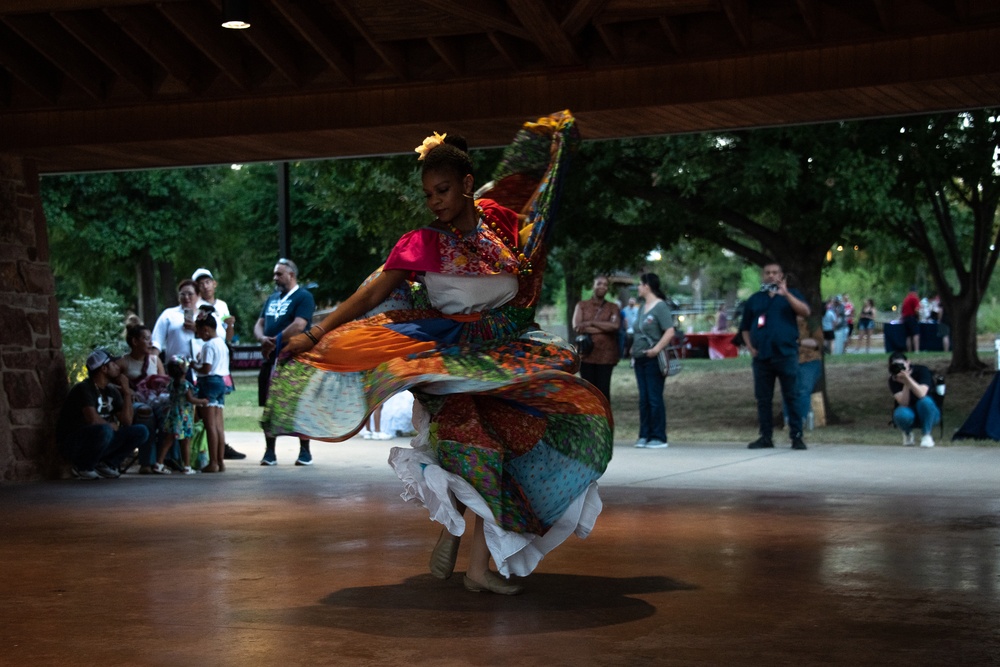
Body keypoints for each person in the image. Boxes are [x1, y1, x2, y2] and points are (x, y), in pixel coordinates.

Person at [262, 112, 612, 595]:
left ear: (467, 184)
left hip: (506, 358)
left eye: (442, 190)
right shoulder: (421, 243)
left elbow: (533, 236)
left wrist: (554, 155)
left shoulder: (503, 225)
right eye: (428, 194)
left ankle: (465, 551)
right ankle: (469, 556)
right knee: (474, 450)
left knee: (507, 449)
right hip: (445, 362)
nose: (434, 202)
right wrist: (318, 333)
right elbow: (368, 297)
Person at [739, 262, 810, 450]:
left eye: (775, 273)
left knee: (792, 396)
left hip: (785, 354)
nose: (771, 276)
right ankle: (765, 436)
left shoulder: (791, 295)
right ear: (763, 275)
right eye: (768, 273)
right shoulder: (755, 299)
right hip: (762, 356)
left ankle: (796, 436)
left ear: (782, 275)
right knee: (763, 398)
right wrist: (750, 347)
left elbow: (805, 312)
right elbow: (745, 327)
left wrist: (785, 293)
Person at [253, 258, 316, 466]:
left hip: (294, 358)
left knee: (299, 404)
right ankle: (270, 452)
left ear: (291, 275)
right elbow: (259, 323)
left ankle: (304, 452)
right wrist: (263, 339)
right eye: (274, 273)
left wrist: (276, 340)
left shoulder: (303, 297)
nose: (275, 277)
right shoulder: (271, 298)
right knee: (269, 405)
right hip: (270, 358)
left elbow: (299, 325)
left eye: (279, 273)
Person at [56, 348, 149, 479]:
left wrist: (127, 392)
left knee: (141, 431)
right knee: (105, 430)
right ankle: (83, 466)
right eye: (113, 364)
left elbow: (127, 421)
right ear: (104, 369)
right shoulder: (84, 388)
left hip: (102, 438)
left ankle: (106, 464)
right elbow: (92, 420)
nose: (118, 367)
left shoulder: (111, 391)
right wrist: (110, 426)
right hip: (75, 443)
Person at [630, 273, 675, 449]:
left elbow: (669, 331)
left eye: (640, 285)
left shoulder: (660, 306)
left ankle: (658, 436)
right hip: (640, 358)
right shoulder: (642, 307)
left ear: (647, 286)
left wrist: (656, 349)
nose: (638, 288)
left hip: (654, 359)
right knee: (643, 399)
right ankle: (644, 434)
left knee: (654, 397)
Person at [116, 324, 165, 472]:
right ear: (135, 341)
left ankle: (166, 460)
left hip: (155, 400)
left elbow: (163, 384)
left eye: (151, 339)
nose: (151, 343)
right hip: (135, 403)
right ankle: (146, 462)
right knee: (145, 411)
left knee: (170, 412)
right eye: (146, 339)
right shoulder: (124, 362)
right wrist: (128, 391)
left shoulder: (155, 360)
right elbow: (109, 384)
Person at [153, 357, 208, 474]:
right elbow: (190, 399)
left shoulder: (172, 384)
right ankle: (187, 466)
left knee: (168, 440)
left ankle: (159, 463)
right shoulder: (185, 385)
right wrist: (202, 401)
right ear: (183, 370)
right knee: (186, 441)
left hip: (173, 414)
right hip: (184, 416)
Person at [571, 275, 621, 402]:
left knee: (604, 391)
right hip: (586, 354)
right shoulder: (582, 305)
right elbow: (577, 326)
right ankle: (589, 421)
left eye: (605, 284)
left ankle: (604, 421)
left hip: (606, 355)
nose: (602, 287)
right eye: (599, 283)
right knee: (588, 391)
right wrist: (604, 328)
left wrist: (590, 323)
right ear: (593, 286)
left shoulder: (613, 307)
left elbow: (615, 326)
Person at [192, 316, 229, 473]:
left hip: (208, 382)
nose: (197, 334)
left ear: (206, 329)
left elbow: (206, 369)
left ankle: (213, 462)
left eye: (198, 330)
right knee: (219, 426)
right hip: (221, 382)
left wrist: (194, 365)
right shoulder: (222, 343)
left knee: (210, 426)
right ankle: (220, 462)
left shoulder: (208, 346)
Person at [888, 351, 940, 447]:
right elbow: (904, 402)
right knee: (900, 413)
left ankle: (926, 435)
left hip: (929, 412)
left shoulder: (922, 371)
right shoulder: (893, 380)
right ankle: (908, 434)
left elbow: (922, 394)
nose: (899, 368)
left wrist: (908, 378)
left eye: (901, 365)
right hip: (909, 411)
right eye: (896, 366)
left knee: (925, 402)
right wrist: (905, 384)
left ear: (908, 362)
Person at [150, 280, 200, 362]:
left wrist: (197, 329)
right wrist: (151, 363)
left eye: (190, 294)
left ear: (198, 295)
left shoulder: (205, 316)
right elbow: (157, 341)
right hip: (175, 366)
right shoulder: (169, 314)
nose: (186, 297)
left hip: (201, 367)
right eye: (182, 294)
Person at [901, 286, 921, 353]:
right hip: (912, 317)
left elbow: (902, 310)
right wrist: (918, 317)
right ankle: (916, 350)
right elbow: (916, 309)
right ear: (915, 291)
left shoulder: (906, 299)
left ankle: (909, 351)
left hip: (905, 318)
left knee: (908, 336)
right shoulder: (914, 298)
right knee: (916, 334)